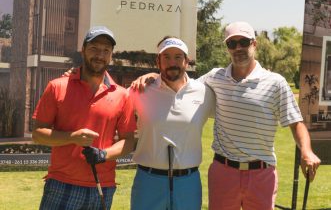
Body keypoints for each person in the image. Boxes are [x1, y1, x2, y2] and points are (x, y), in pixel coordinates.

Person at [131, 22, 321, 210]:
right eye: (232, 43)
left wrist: (307, 151)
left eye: (243, 42)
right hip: (224, 172)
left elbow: (296, 123)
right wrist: (153, 76)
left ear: (254, 44)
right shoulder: (214, 79)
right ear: (227, 48)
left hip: (261, 173)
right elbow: (180, 83)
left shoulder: (276, 82)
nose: (238, 48)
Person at [32, 26, 136, 210]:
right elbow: (38, 134)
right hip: (62, 183)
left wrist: (104, 154)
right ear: (83, 51)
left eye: (106, 50)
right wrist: (71, 137)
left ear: (111, 55)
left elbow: (128, 141)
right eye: (94, 48)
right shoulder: (57, 86)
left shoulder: (122, 95)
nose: (100, 55)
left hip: (103, 185)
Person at [129, 36, 215, 210]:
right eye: (166, 57)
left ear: (187, 61)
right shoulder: (140, 90)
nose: (172, 62)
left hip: (188, 183)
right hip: (148, 181)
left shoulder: (204, 93)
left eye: (178, 57)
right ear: (158, 61)